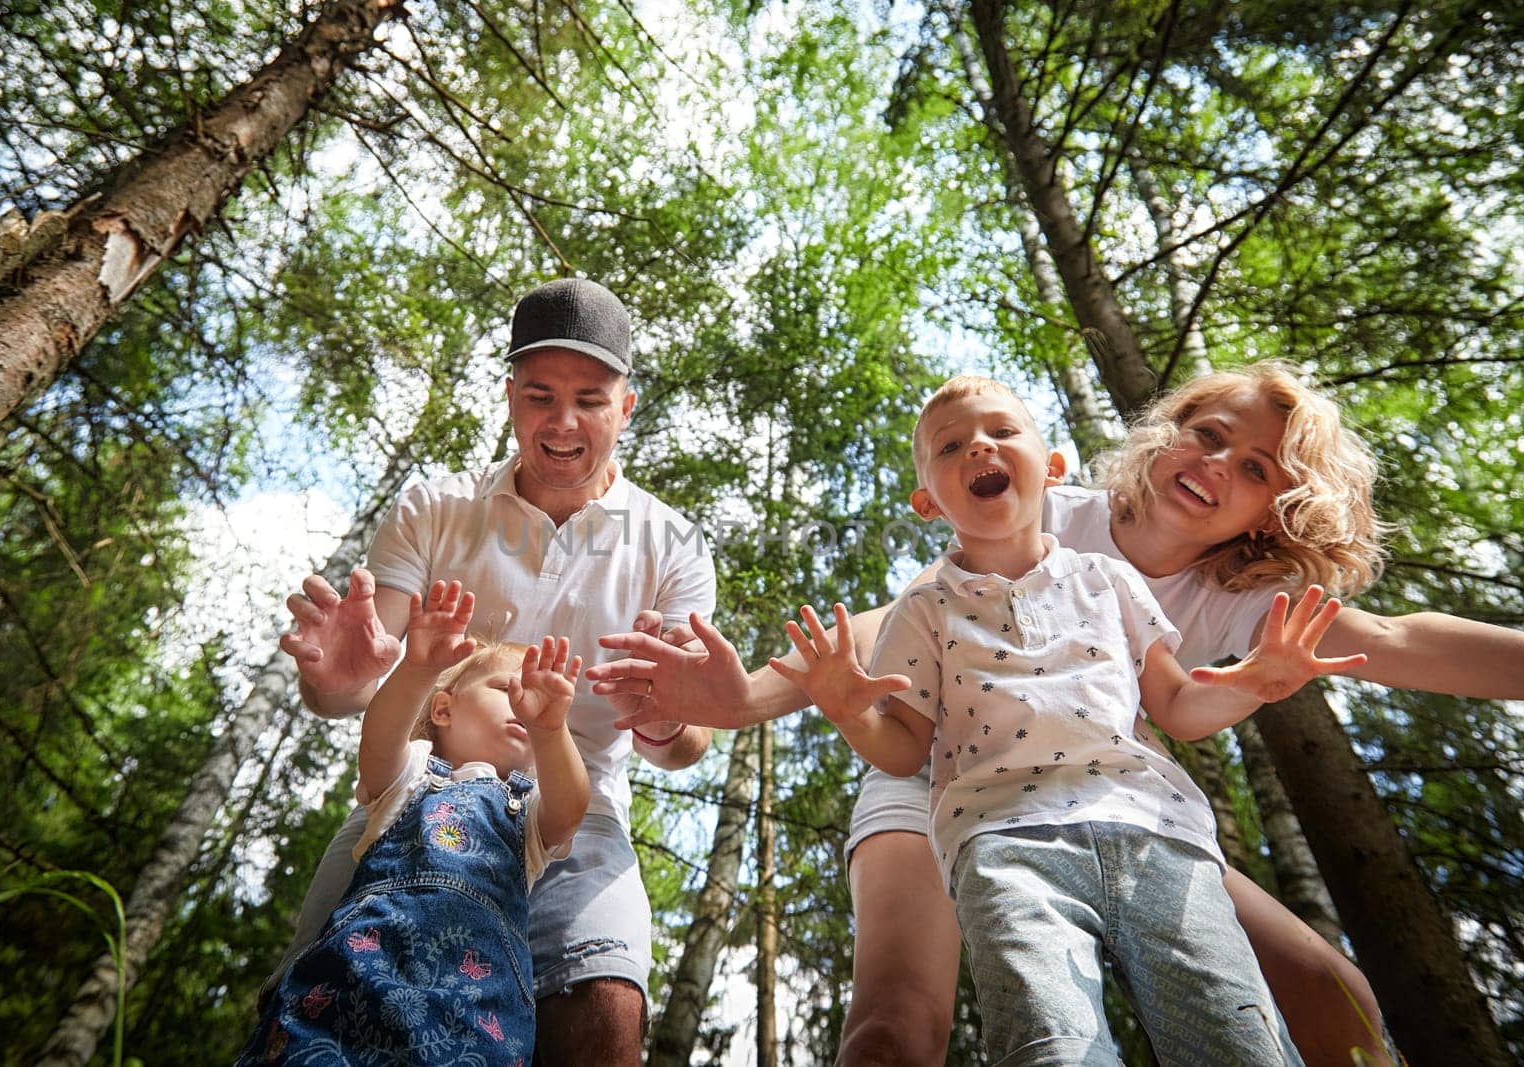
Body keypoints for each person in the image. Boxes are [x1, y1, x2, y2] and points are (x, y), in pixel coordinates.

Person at [587, 360, 1524, 1065]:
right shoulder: (1044, 508)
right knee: (894, 1023)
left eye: (1256, 467)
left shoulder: (1240, 598)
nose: (1216, 465)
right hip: (939, 778)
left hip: (1106, 803)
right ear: (1168, 431)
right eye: (1208, 434)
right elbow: (874, 628)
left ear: (1276, 507)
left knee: (1333, 991)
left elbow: (1400, 639)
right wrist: (748, 696)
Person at [770, 375, 1375, 1063]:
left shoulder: (1110, 580)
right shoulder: (925, 609)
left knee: (1235, 1034)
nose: (978, 448)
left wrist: (1254, 683)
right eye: (951, 445)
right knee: (1052, 1042)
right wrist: (850, 713)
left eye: (1001, 432)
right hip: (1004, 843)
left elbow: (1178, 706)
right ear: (926, 503)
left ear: (1053, 469)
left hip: (1154, 835)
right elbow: (906, 750)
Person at [273, 279, 717, 1065]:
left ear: (627, 405)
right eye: (540, 395)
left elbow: (687, 743)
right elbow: (356, 688)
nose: (563, 422)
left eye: (590, 398)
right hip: (413, 800)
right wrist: (341, 680)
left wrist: (665, 715)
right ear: (510, 394)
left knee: (607, 1016)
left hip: (576, 817)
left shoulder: (673, 544)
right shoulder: (434, 508)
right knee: (310, 1000)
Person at [241, 579, 586, 1066]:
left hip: (475, 1016)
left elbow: (572, 809)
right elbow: (379, 743)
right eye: (507, 689)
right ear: (443, 709)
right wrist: (418, 670)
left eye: (530, 696)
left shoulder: (526, 810)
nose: (522, 704)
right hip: (355, 979)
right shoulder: (413, 774)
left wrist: (551, 731)